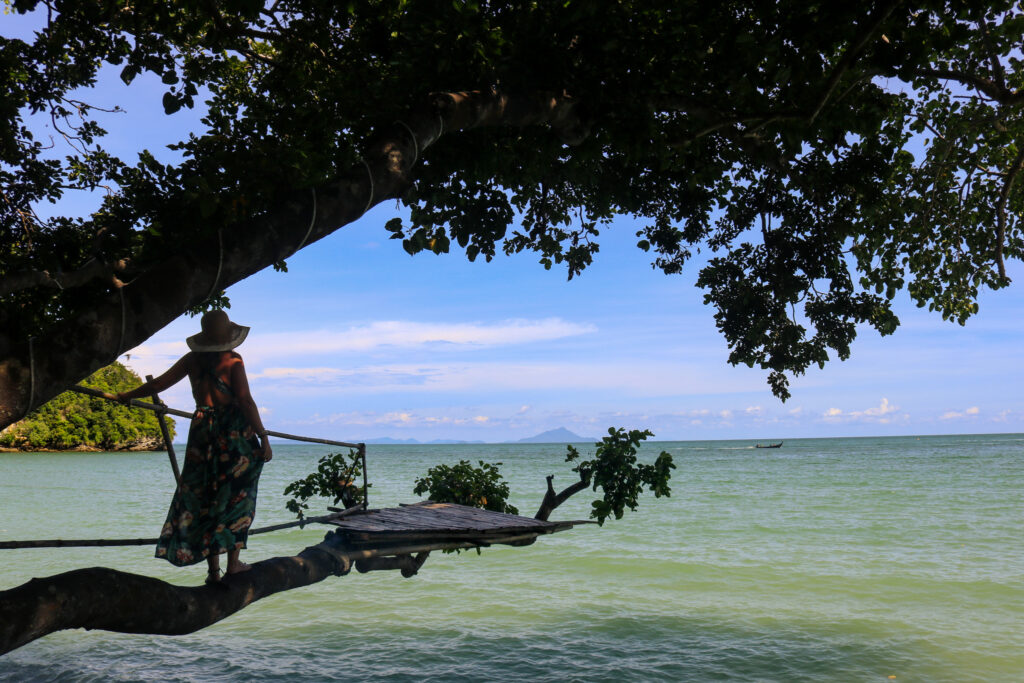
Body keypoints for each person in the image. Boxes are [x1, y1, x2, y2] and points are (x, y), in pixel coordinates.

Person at [110, 309, 272, 585]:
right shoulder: (233, 360)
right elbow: (245, 401)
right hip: (233, 432)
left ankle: (213, 572)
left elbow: (159, 383)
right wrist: (264, 437)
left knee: (204, 495)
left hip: (202, 429)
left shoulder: (192, 360)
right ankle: (233, 565)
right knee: (237, 496)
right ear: (229, 336)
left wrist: (126, 396)